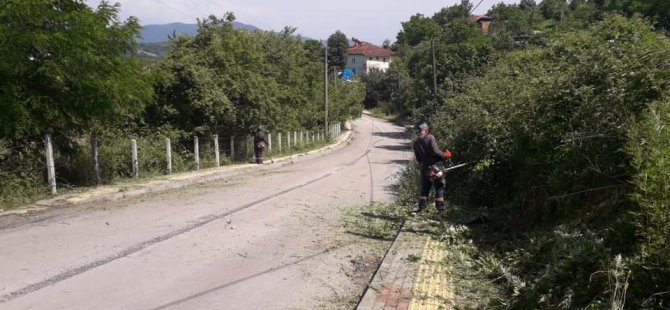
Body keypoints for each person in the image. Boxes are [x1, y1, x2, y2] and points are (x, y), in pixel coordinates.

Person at [413, 123, 450, 212]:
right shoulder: (430, 137)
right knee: (439, 187)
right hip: (436, 167)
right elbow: (436, 152)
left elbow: (418, 158)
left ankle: (421, 209)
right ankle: (440, 210)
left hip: (425, 168)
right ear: (426, 130)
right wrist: (446, 154)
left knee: (425, 187)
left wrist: (424, 165)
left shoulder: (416, 142)